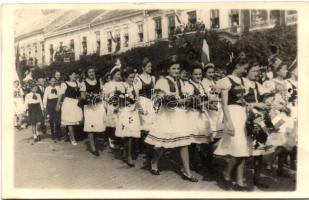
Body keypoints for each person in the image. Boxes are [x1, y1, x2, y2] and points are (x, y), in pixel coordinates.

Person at [145, 58, 206, 182]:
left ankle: (187, 172)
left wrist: (189, 100)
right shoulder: (162, 81)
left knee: (184, 142)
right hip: (167, 115)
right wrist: (169, 100)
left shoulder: (182, 82)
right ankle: (154, 161)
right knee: (163, 144)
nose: (176, 71)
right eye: (173, 68)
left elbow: (184, 97)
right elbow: (157, 97)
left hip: (179, 114)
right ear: (168, 69)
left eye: (178, 68)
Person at [214, 57, 252, 191]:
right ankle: (227, 173)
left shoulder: (243, 81)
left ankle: (239, 181)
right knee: (238, 147)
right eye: (245, 68)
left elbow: (244, 100)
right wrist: (228, 122)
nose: (246, 71)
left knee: (242, 149)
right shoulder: (226, 81)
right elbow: (224, 103)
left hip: (242, 114)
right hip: (232, 114)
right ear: (237, 65)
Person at [263, 62, 296, 177]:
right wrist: (278, 106)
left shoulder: (286, 83)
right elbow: (267, 101)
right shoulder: (270, 83)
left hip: (284, 113)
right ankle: (270, 161)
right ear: (277, 71)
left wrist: (287, 107)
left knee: (286, 139)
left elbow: (288, 97)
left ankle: (280, 169)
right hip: (275, 114)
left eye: (286, 70)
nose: (286, 71)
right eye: (284, 69)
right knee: (281, 136)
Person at [243, 61, 270, 188]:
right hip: (245, 117)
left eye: (257, 71)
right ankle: (236, 175)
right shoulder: (242, 84)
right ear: (246, 71)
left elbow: (266, 99)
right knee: (243, 149)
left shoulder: (258, 85)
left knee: (260, 148)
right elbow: (239, 101)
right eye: (253, 71)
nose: (256, 73)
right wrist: (255, 105)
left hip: (259, 118)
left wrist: (266, 103)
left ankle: (257, 178)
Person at [183, 64, 212, 171]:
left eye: (200, 74)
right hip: (193, 114)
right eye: (196, 74)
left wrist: (209, 103)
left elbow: (205, 99)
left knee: (204, 139)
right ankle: (191, 162)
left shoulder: (202, 85)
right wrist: (200, 104)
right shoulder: (188, 86)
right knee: (193, 141)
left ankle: (206, 162)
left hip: (202, 114)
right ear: (191, 75)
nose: (198, 76)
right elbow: (188, 102)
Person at [115, 68, 141, 166]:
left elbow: (137, 99)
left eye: (133, 77)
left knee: (131, 135)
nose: (132, 79)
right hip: (124, 112)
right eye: (130, 77)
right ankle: (128, 155)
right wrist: (124, 102)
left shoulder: (134, 86)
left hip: (133, 112)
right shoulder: (122, 86)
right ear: (125, 77)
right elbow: (118, 100)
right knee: (127, 135)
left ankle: (128, 152)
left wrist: (140, 108)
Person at [80, 66, 107, 156]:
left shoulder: (98, 81)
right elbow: (83, 96)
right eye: (90, 72)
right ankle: (92, 147)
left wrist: (100, 97)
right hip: (89, 107)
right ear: (87, 74)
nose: (92, 73)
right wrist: (89, 98)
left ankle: (94, 142)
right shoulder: (84, 83)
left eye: (93, 72)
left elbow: (102, 92)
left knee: (97, 126)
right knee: (90, 127)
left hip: (98, 106)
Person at [56, 70, 83, 146]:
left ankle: (70, 134)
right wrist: (58, 104)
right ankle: (72, 139)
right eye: (73, 74)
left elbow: (82, 91)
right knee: (70, 122)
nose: (75, 76)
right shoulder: (64, 84)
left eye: (75, 74)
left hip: (76, 103)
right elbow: (60, 95)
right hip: (68, 103)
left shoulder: (78, 83)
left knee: (76, 121)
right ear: (69, 76)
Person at [103, 66, 125, 149]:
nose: (118, 76)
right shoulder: (108, 84)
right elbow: (105, 96)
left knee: (120, 123)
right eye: (117, 74)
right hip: (112, 105)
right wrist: (108, 103)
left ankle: (118, 140)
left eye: (119, 74)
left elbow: (123, 94)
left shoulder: (122, 84)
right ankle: (111, 139)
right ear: (113, 75)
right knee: (113, 124)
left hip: (120, 105)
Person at [133, 57, 156, 133]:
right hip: (143, 103)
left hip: (151, 104)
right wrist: (140, 108)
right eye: (148, 66)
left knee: (153, 127)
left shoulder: (152, 78)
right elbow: (136, 96)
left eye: (151, 66)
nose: (151, 68)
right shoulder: (138, 78)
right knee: (144, 127)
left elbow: (154, 92)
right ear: (143, 68)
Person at [43, 77, 61, 142]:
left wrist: (59, 104)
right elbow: (45, 98)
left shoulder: (58, 87)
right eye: (52, 81)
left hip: (56, 102)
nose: (53, 82)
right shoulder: (47, 88)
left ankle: (58, 134)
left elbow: (60, 96)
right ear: (49, 82)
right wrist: (44, 107)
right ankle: (53, 134)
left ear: (56, 81)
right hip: (50, 104)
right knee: (51, 120)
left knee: (58, 120)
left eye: (54, 81)